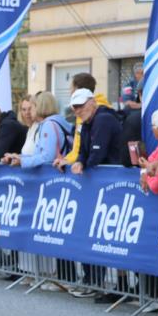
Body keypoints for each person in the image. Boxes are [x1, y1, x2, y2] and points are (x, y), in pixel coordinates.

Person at [56, 88, 122, 302]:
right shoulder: (85, 123)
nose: (78, 110)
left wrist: (83, 163)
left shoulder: (103, 118)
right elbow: (84, 150)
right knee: (92, 234)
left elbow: (97, 152)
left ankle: (117, 286)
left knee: (112, 237)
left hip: (113, 185)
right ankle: (95, 281)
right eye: (75, 107)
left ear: (92, 102)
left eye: (82, 106)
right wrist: (78, 161)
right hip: (96, 187)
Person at [3, 92, 71, 169]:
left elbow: (47, 158)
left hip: (53, 176)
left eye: (31, 107)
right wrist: (18, 157)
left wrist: (22, 161)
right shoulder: (47, 124)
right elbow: (38, 155)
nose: (29, 112)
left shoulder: (48, 125)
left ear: (39, 107)